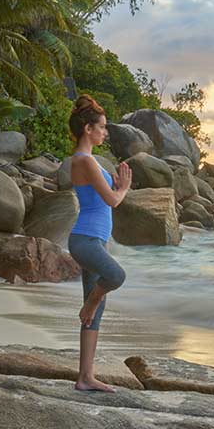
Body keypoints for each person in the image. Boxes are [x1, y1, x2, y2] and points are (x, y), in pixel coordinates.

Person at [66, 95, 132, 392]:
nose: (106, 132)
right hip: (86, 240)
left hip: (93, 240)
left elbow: (106, 197)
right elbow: (112, 201)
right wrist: (124, 189)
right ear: (88, 129)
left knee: (95, 314)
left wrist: (116, 186)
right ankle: (91, 301)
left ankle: (85, 377)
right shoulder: (85, 161)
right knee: (115, 277)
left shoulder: (86, 161)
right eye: (102, 127)